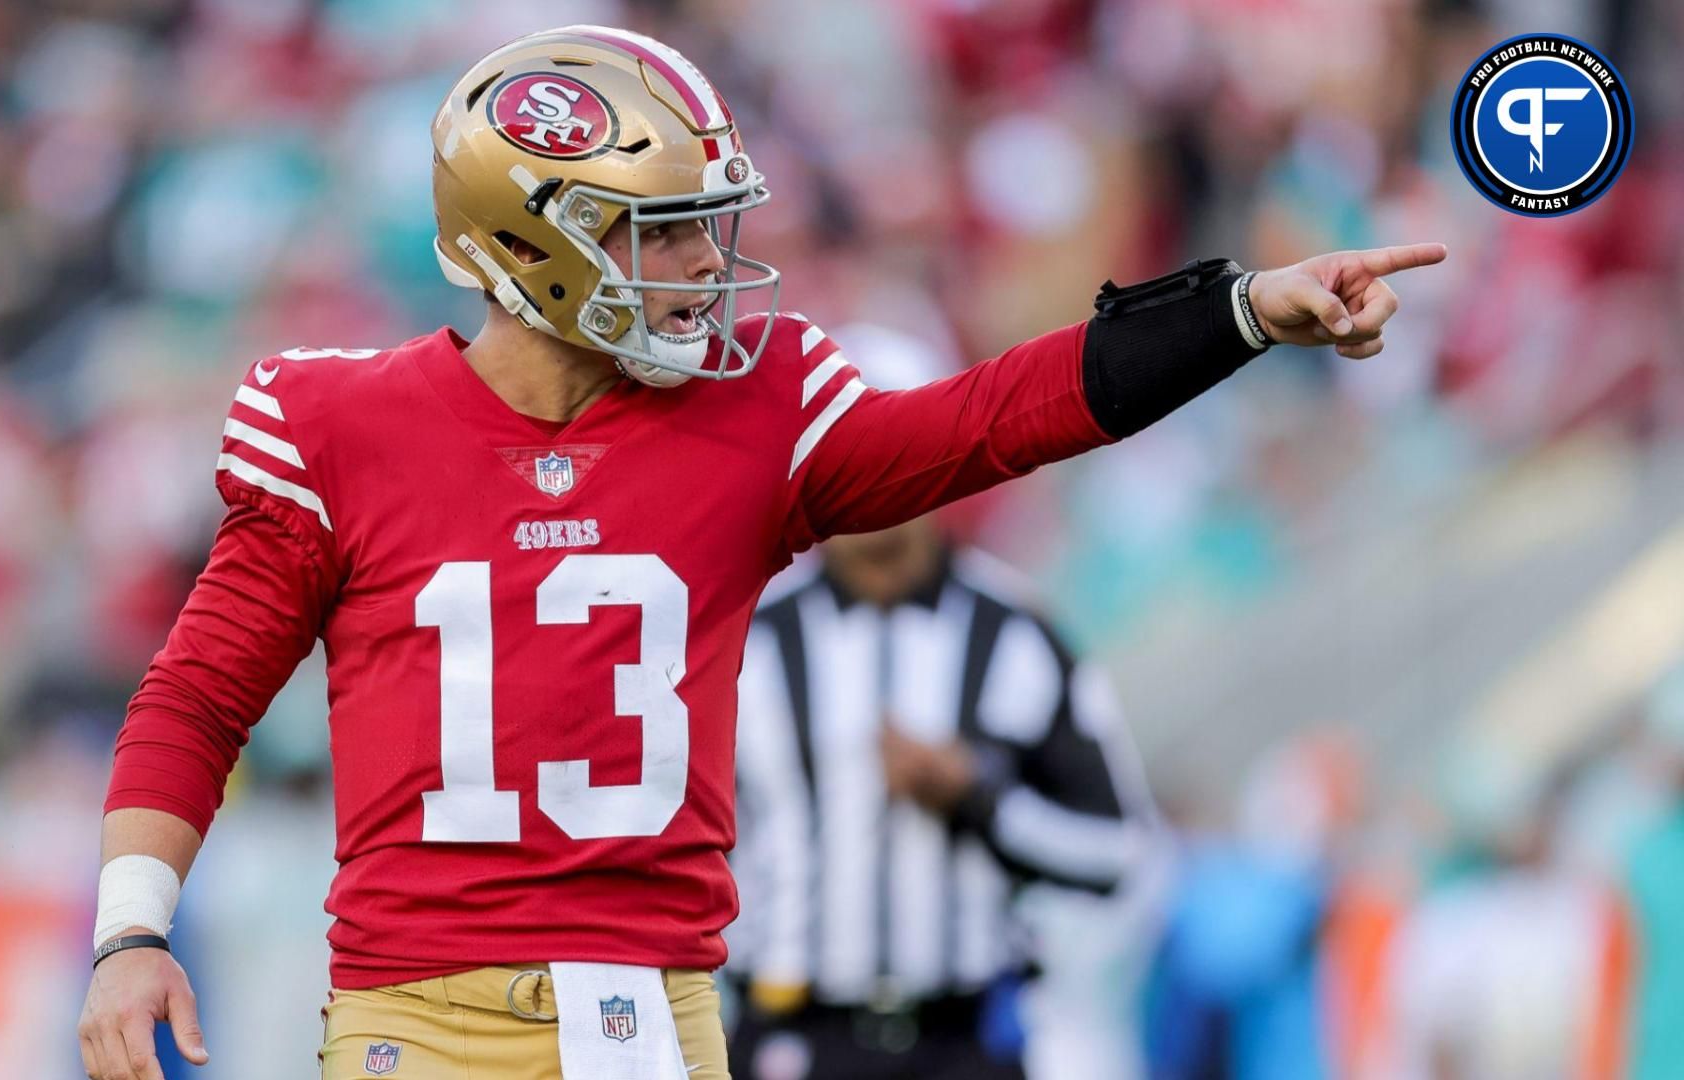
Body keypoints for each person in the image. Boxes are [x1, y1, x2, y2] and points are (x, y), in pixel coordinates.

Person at [75, 23, 1445, 1080]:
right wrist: (133, 930)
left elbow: (994, 420)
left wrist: (1245, 313)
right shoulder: (335, 423)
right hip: (419, 1019)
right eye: (661, 232)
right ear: (532, 242)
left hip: (663, 1017)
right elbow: (198, 695)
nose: (701, 266)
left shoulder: (753, 410)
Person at [728, 480, 1158, 1080]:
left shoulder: (1018, 629)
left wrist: (981, 800)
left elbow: (1118, 853)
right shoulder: (747, 635)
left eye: (887, 454)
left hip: (963, 1040)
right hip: (788, 1034)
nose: (868, 478)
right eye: (848, 457)